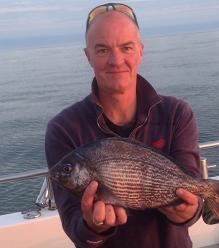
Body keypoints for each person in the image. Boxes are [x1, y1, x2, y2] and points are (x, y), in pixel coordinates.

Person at [45, 3, 203, 248]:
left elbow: (192, 196)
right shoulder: (63, 128)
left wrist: (188, 210)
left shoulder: (177, 114)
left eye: (126, 47)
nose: (116, 60)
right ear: (88, 56)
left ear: (140, 51)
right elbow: (75, 227)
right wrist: (92, 226)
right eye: (102, 50)